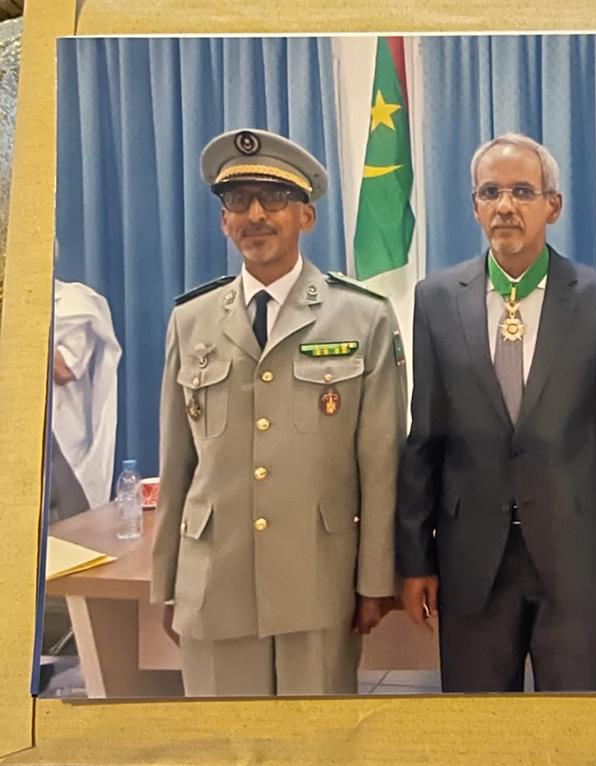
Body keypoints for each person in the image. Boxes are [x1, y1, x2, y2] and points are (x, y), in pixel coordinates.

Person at [397, 133, 596, 692]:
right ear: (474, 205)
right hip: (472, 563)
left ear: (552, 205)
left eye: (521, 191)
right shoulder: (436, 300)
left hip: (578, 560)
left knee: (578, 733)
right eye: (490, 192)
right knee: (482, 736)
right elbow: (425, 438)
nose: (505, 206)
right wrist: (414, 558)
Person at [150, 128, 407, 696]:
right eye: (237, 201)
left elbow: (381, 461)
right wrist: (166, 582)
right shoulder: (190, 321)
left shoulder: (362, 318)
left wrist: (374, 582)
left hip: (317, 577)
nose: (255, 215)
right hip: (214, 578)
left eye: (274, 199)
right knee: (222, 745)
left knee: (315, 745)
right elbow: (177, 464)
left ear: (306, 217)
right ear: (223, 220)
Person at [51, 270, 122, 512]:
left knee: (67, 525)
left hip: (62, 442)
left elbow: (64, 370)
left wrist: (23, 321)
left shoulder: (73, 303)